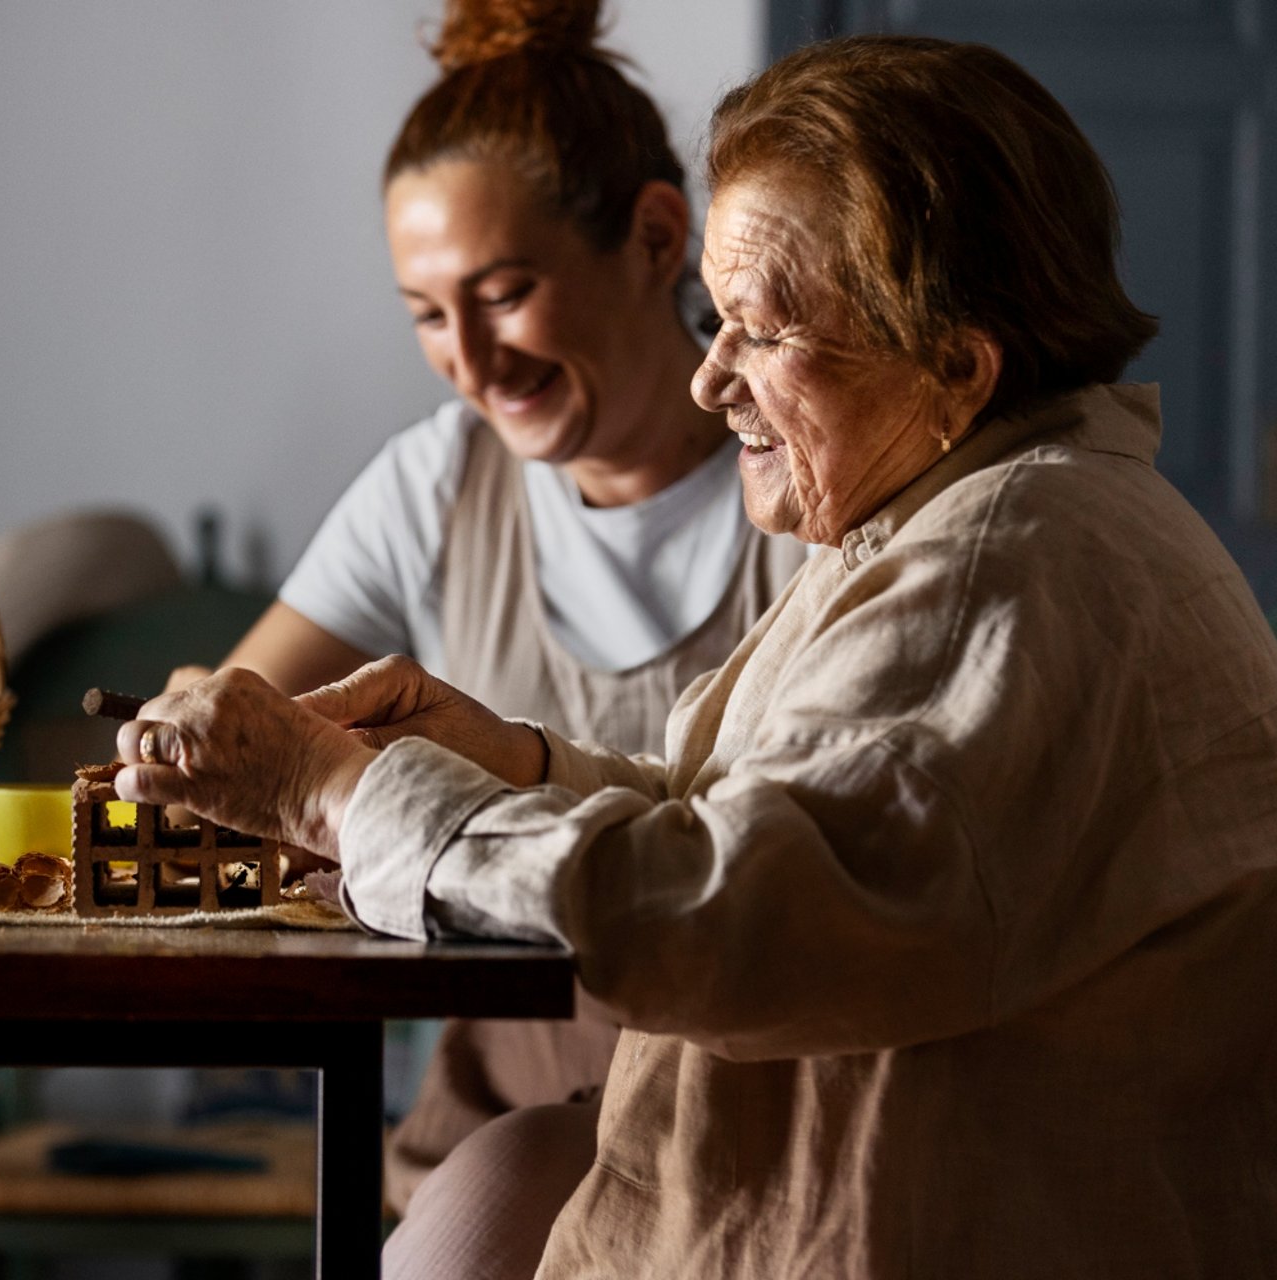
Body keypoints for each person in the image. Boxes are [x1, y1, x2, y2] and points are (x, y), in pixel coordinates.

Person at [123, 33, 1277, 1280]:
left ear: (956, 364)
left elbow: (736, 913)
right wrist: (507, 759)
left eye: (761, 333)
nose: (712, 381)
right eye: (714, 326)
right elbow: (764, 823)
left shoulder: (1003, 560)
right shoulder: (955, 512)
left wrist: (329, 790)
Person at [168, 0, 804, 1214]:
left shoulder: (803, 483)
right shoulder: (439, 480)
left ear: (655, 236)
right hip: (481, 1130)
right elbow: (240, 714)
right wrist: (200, 725)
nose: (468, 355)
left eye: (506, 292)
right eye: (425, 312)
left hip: (747, 1137)